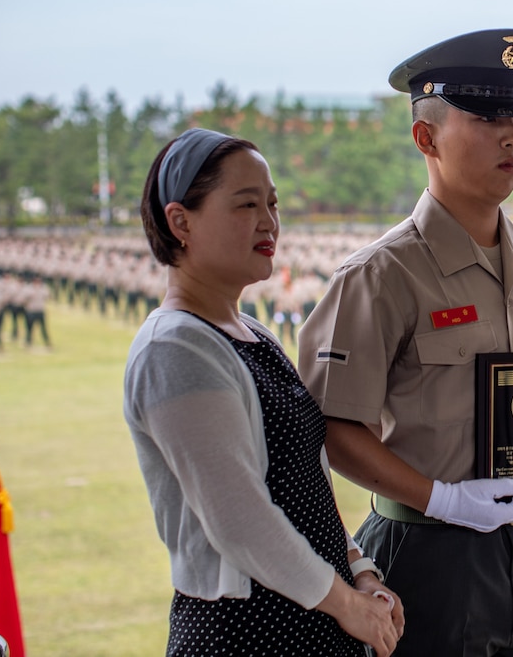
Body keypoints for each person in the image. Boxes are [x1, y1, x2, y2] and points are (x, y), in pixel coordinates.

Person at [298, 29, 513, 656]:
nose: (512, 134)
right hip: (424, 555)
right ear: (425, 137)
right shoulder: (381, 277)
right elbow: (331, 427)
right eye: (486, 117)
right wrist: (445, 498)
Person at [123, 128, 403, 656]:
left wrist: (360, 572)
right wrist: (346, 603)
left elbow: (306, 484)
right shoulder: (176, 348)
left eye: (272, 203)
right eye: (246, 204)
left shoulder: (254, 336)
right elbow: (238, 518)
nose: (268, 221)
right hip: (247, 630)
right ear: (180, 221)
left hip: (315, 616)